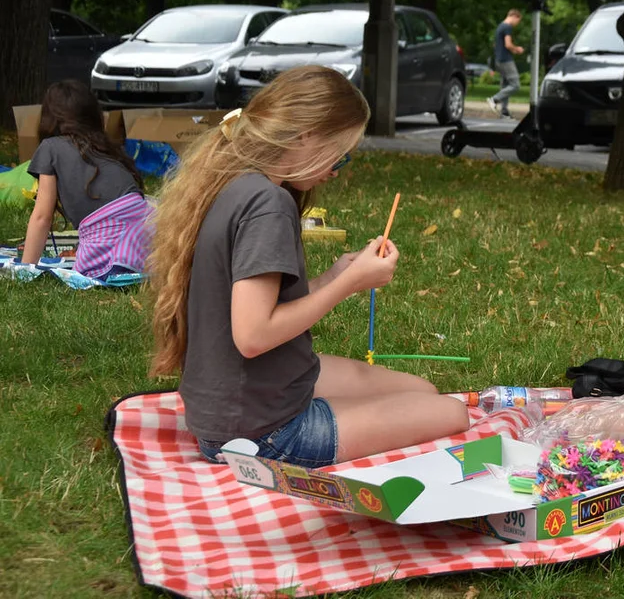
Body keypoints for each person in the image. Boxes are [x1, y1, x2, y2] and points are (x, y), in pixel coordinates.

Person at [147, 65, 470, 468]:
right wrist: (351, 282)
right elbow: (253, 334)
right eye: (341, 152)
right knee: (452, 413)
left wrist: (334, 275)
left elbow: (256, 308)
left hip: (239, 403)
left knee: (423, 389)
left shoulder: (236, 181)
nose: (338, 168)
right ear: (306, 135)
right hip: (264, 433)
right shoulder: (269, 204)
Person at [20, 80, 152, 277]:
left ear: (49, 118)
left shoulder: (50, 148)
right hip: (146, 232)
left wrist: (24, 270)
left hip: (109, 242)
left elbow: (42, 217)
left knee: (100, 271)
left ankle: (119, 262)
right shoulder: (105, 146)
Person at [487, 9, 526, 119]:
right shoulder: (507, 27)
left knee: (505, 85)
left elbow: (497, 45)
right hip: (506, 60)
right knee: (515, 85)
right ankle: (494, 99)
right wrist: (517, 49)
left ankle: (504, 112)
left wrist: (513, 50)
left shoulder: (500, 27)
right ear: (514, 16)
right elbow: (508, 44)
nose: (517, 24)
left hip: (499, 60)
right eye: (518, 21)